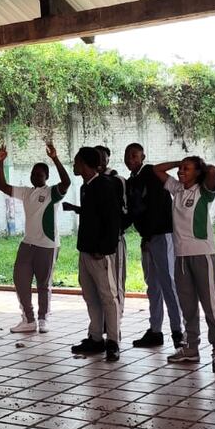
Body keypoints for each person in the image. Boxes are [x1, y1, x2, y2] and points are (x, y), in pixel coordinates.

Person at [0, 142, 71, 333]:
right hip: (28, 244)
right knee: (20, 280)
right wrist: (0, 161)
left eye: (39, 174)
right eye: (33, 173)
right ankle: (28, 319)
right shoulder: (26, 192)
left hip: (47, 245)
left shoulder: (52, 193)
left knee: (43, 284)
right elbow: (2, 186)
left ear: (46, 177)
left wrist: (55, 158)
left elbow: (66, 182)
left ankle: (43, 319)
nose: (35, 176)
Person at [154, 156, 215, 372]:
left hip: (203, 255)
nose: (181, 172)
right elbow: (156, 169)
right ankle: (191, 348)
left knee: (210, 306)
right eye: (180, 169)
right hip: (181, 256)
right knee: (188, 305)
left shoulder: (204, 191)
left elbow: (212, 171)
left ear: (197, 172)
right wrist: (179, 164)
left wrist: (198, 169)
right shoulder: (177, 189)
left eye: (187, 169)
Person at [124, 143, 183, 351]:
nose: (130, 159)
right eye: (127, 156)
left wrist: (179, 163)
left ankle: (178, 331)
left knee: (168, 284)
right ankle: (155, 330)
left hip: (162, 235)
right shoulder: (132, 181)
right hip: (148, 238)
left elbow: (154, 207)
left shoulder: (149, 172)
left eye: (134, 155)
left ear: (142, 157)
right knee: (153, 286)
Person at [71, 146, 122, 363]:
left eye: (76, 162)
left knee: (108, 297)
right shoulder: (86, 187)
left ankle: (113, 342)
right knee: (90, 296)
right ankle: (95, 337)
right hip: (85, 250)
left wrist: (104, 249)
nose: (74, 166)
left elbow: (113, 220)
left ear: (84, 164)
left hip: (100, 253)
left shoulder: (105, 185)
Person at [96, 145, 128, 313]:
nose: (100, 160)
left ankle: (117, 319)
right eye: (96, 157)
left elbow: (125, 211)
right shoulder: (89, 184)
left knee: (115, 280)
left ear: (108, 159)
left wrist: (116, 232)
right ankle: (101, 322)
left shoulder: (117, 181)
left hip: (113, 241)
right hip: (94, 243)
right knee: (99, 283)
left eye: (103, 157)